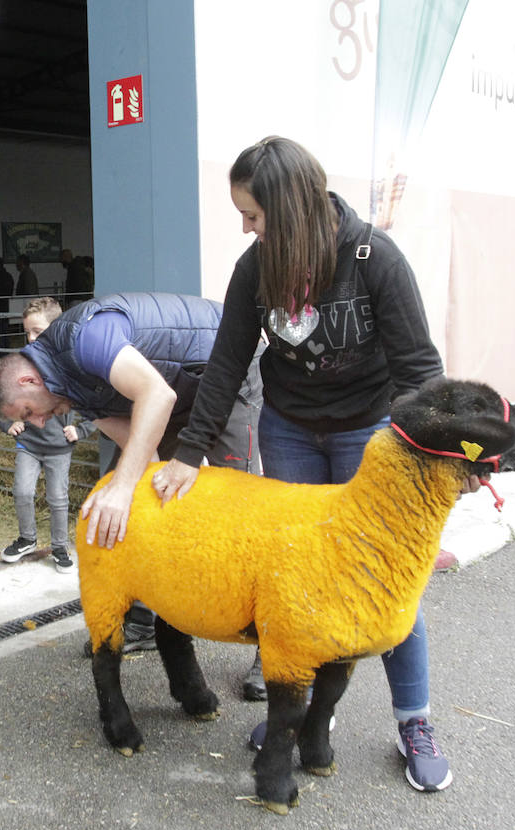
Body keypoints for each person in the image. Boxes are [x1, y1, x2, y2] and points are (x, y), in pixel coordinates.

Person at [155, 135, 453, 793]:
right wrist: (187, 455)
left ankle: (414, 721)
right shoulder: (254, 267)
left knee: (382, 585)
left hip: (366, 434)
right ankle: (303, 717)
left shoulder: (374, 257)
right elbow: (228, 362)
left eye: (254, 215)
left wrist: (424, 469)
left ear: (288, 210)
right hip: (290, 428)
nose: (246, 228)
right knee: (292, 571)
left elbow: (420, 373)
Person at [0, 291, 263, 649]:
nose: (38, 423)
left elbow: (157, 396)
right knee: (141, 499)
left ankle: (270, 643)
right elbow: (143, 456)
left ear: (28, 382)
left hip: (225, 367)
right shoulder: (67, 389)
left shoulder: (84, 338)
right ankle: (144, 623)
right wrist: (132, 491)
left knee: (240, 509)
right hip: (176, 389)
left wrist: (121, 488)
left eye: (28, 413)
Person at [0, 297, 94, 572]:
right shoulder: (19, 363)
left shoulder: (70, 364)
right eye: (27, 331)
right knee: (22, 491)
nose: (31, 338)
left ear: (57, 328)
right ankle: (27, 538)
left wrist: (81, 428)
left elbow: (94, 402)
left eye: (38, 331)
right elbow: (4, 400)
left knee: (57, 498)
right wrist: (8, 424)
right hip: (28, 443)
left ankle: (60, 546)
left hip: (58, 447)